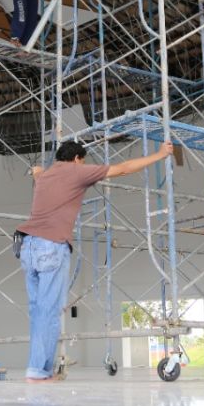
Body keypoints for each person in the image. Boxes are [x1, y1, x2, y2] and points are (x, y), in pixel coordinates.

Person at [17, 139, 174, 382]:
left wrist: (37, 171)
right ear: (78, 158)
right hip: (51, 245)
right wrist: (160, 154)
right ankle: (37, 372)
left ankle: (36, 369)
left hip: (27, 246)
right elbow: (123, 168)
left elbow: (38, 176)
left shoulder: (46, 176)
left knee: (37, 311)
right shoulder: (78, 171)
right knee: (48, 311)